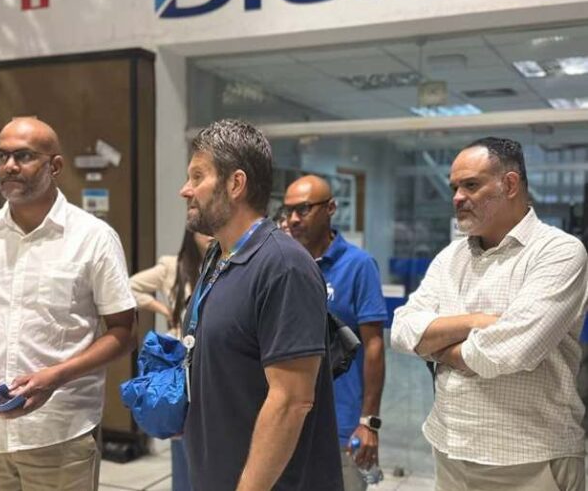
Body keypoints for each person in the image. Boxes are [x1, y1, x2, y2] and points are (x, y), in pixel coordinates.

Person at [0, 117, 137, 491]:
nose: (10, 166)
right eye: (2, 156)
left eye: (24, 156)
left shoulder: (93, 238)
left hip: (60, 430)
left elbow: (124, 332)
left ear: (55, 166)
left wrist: (57, 376)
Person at [391, 137, 588, 491]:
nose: (457, 197)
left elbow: (509, 352)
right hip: (449, 448)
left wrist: (437, 348)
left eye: (470, 185)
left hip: (527, 460)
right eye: (454, 187)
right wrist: (474, 322)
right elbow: (402, 330)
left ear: (509, 184)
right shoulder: (451, 257)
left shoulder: (558, 253)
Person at [180, 119, 343, 491]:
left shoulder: (284, 266)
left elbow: (292, 400)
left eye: (197, 177)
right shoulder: (218, 257)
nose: (185, 190)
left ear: (235, 184)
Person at [283, 175, 386, 491]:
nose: (293, 219)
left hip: (341, 421)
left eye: (303, 209)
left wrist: (369, 422)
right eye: (288, 211)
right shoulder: (284, 263)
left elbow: (374, 346)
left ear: (330, 208)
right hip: (288, 416)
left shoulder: (359, 265)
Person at [128, 228, 210, 491]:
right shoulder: (172, 266)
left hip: (213, 363)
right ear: (191, 234)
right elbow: (130, 286)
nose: (209, 235)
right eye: (203, 230)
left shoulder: (230, 262)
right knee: (182, 440)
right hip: (181, 363)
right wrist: (164, 309)